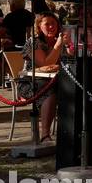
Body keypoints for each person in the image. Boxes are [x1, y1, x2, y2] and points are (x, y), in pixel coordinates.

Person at [27, 13, 70, 143]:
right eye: (47, 24)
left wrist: (69, 46)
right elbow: (45, 64)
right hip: (33, 82)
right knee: (51, 92)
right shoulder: (34, 43)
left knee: (78, 89)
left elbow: (70, 60)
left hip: (56, 80)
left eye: (54, 23)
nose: (51, 27)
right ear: (39, 27)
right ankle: (45, 134)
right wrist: (58, 46)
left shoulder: (60, 40)